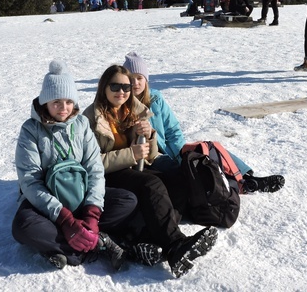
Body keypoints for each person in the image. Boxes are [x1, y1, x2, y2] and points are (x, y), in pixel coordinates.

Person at [82, 65, 218, 278]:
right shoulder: (91, 118)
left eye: (126, 87)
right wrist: (131, 154)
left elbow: (151, 156)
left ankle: (147, 238)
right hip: (106, 175)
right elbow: (91, 163)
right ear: (103, 88)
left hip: (133, 168)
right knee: (151, 185)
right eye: (115, 86)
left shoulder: (133, 111)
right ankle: (175, 245)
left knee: (177, 183)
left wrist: (150, 135)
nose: (122, 92)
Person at [12, 60, 135, 270]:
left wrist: (92, 213)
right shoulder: (31, 130)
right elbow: (30, 182)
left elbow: (95, 169)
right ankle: (97, 242)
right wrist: (64, 220)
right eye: (56, 102)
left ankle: (66, 246)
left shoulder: (81, 124)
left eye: (69, 101)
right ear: (45, 102)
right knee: (22, 227)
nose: (63, 108)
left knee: (127, 200)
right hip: (47, 203)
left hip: (80, 195)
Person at [123, 52, 285, 194]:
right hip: (153, 158)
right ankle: (231, 186)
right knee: (196, 167)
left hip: (171, 150)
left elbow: (173, 130)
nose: (136, 83)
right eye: (132, 79)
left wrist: (181, 152)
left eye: (140, 78)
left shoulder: (155, 98)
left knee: (207, 148)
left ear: (146, 80)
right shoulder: (122, 104)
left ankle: (247, 177)